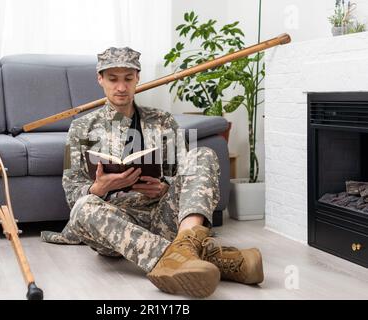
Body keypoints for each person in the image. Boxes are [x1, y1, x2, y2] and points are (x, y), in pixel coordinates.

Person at [41, 47, 264, 297]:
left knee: (202, 155)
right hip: (114, 223)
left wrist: (165, 187)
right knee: (83, 208)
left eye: (128, 78)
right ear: (100, 79)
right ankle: (193, 258)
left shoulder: (163, 120)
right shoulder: (80, 128)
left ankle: (184, 245)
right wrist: (99, 188)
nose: (121, 87)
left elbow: (184, 175)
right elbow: (72, 192)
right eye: (113, 79)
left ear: (137, 77)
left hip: (162, 214)